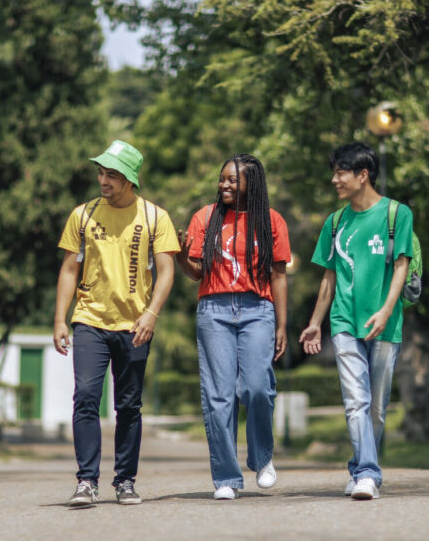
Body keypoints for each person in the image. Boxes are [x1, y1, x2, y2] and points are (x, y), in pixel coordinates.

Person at [53, 140, 179, 507]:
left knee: (129, 406)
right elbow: (69, 269)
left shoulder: (155, 217)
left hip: (135, 325)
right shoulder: (83, 215)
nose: (103, 180)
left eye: (111, 174)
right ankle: (86, 481)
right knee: (86, 398)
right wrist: (60, 319)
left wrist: (151, 314)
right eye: (101, 173)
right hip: (89, 320)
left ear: (130, 179)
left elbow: (167, 271)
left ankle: (125, 480)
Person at [298, 142, 412, 501]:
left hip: (385, 324)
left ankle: (360, 466)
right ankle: (367, 474)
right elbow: (328, 278)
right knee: (355, 401)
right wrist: (316, 322)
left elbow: (401, 267)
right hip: (344, 322)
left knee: (376, 407)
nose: (335, 180)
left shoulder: (397, 214)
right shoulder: (335, 223)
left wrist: (387, 310)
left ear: (363, 175)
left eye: (340, 173)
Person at [176, 154, 290, 500]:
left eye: (232, 180)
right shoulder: (205, 217)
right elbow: (197, 272)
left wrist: (282, 324)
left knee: (257, 388)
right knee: (218, 396)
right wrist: (181, 257)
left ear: (250, 185)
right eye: (222, 178)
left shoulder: (271, 221)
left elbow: (279, 276)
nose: (223, 185)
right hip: (214, 309)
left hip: (258, 309)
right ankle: (226, 477)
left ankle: (262, 458)